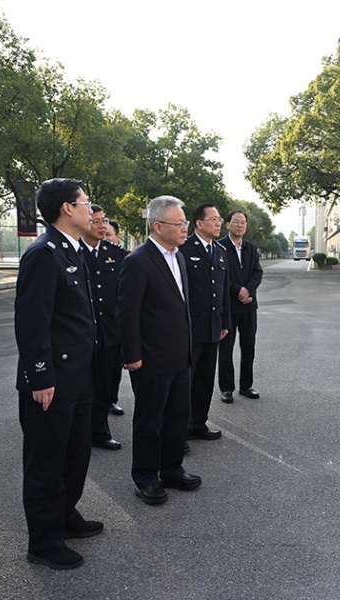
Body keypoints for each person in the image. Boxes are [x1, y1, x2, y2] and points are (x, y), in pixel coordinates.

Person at [14, 178, 103, 570]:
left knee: (76, 455)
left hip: (78, 376)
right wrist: (40, 377)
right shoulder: (43, 253)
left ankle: (65, 515)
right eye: (86, 202)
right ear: (67, 208)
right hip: (52, 379)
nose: (91, 210)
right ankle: (44, 541)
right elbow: (32, 323)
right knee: (46, 462)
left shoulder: (72, 249)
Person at [118, 195, 201, 507]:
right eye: (179, 224)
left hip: (180, 354)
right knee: (150, 422)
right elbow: (126, 313)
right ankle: (145, 478)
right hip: (151, 358)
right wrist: (132, 355)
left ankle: (171, 469)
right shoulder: (138, 261)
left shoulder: (178, 257)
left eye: (185, 223)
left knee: (177, 418)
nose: (185, 228)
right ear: (157, 226)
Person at [179, 203, 231, 441]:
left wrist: (225, 322)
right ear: (199, 223)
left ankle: (198, 423)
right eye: (213, 219)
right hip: (190, 327)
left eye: (219, 219)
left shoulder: (220, 251)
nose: (218, 223)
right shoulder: (183, 248)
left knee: (205, 378)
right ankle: (181, 430)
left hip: (212, 326)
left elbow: (223, 291)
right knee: (185, 382)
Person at [81, 205, 126, 450]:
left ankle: (99, 431)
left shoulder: (116, 254)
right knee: (80, 386)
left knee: (102, 385)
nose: (101, 226)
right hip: (81, 332)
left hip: (109, 331)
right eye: (95, 221)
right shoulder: (72, 251)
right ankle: (78, 433)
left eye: (103, 221)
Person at [218, 210, 263, 403]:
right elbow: (219, 276)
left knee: (248, 347)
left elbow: (257, 273)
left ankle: (246, 386)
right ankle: (226, 388)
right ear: (227, 224)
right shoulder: (219, 247)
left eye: (243, 222)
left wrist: (248, 290)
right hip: (228, 307)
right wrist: (238, 291)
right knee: (225, 350)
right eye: (236, 221)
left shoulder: (251, 248)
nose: (240, 225)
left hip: (249, 307)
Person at [104, 219, 127, 416]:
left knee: (114, 366)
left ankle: (112, 399)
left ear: (118, 237)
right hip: (97, 322)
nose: (105, 239)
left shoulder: (122, 257)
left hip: (116, 321)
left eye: (108, 235)